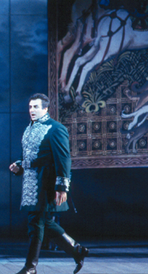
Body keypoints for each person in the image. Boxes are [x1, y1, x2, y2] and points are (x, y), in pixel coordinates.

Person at [9, 93, 88, 274]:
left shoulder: (55, 129)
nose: (32, 110)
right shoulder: (29, 128)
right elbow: (30, 156)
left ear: (46, 108)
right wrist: (19, 166)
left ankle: (30, 267)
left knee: (36, 223)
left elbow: (63, 159)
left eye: (36, 107)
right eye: (30, 107)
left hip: (47, 182)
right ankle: (77, 250)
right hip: (31, 182)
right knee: (43, 222)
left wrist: (62, 187)